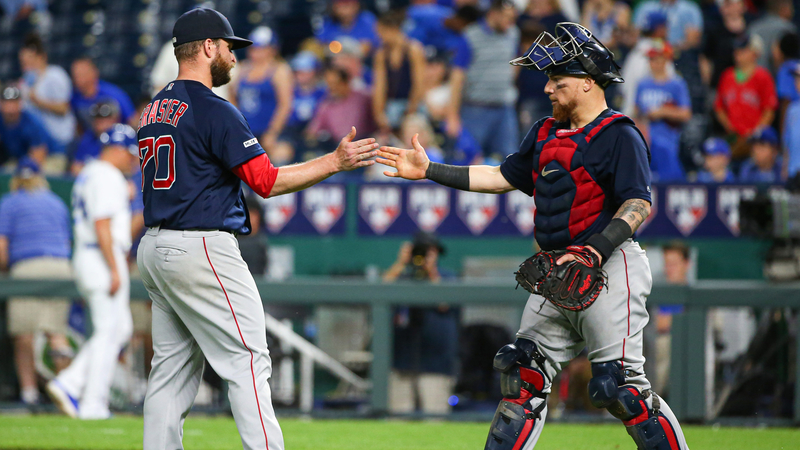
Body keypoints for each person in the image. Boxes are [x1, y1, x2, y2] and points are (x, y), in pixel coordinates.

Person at [377, 22, 689, 450]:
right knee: (521, 374)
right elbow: (502, 176)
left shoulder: (620, 133)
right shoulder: (544, 131)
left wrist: (593, 252)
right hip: (558, 271)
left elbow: (637, 205)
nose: (547, 90)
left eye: (557, 81)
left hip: (611, 265)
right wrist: (431, 170)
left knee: (622, 388)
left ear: (585, 83)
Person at [135, 9, 378, 449]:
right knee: (248, 359)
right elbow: (265, 181)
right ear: (208, 47)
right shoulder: (214, 108)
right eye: (229, 47)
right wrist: (335, 162)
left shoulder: (155, 107)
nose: (233, 57)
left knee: (170, 371)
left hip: (155, 245)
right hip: (200, 245)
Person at [46, 124, 138, 420]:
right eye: (129, 154)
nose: (132, 160)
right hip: (101, 256)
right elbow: (102, 224)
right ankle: (89, 402)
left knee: (118, 328)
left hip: (92, 255)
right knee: (109, 330)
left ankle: (72, 384)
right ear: (116, 149)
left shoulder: (91, 172)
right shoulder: (107, 175)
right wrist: (114, 267)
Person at [0, 157, 72, 406]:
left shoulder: (9, 202)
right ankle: (65, 389)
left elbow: (2, 247)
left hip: (27, 267)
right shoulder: (56, 202)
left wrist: (6, 272)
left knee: (24, 335)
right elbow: (66, 243)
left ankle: (29, 393)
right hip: (61, 267)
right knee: (56, 333)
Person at [384, 232, 459, 415]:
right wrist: (401, 263)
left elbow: (445, 304)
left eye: (429, 251)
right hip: (402, 359)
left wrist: (431, 271)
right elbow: (380, 291)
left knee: (435, 419)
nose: (424, 255)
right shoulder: (403, 278)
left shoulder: (447, 278)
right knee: (398, 420)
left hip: (436, 361)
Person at [457, 0, 520, 161]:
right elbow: (457, 74)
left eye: (512, 18)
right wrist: (452, 114)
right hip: (475, 108)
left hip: (504, 108)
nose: (510, 22)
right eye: (506, 18)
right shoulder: (470, 35)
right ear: (493, 14)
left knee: (510, 158)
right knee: (469, 158)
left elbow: (515, 61)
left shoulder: (513, 34)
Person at [230, 26, 293, 160]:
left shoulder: (279, 70)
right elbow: (232, 97)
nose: (256, 53)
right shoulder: (243, 68)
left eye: (262, 49)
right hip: (247, 132)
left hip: (269, 131)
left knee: (280, 155)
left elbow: (285, 105)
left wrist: (272, 132)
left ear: (272, 50)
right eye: (254, 48)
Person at [714, 33, 777, 162]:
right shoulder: (727, 76)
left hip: (756, 141)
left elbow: (769, 110)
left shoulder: (763, 76)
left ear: (755, 52)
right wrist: (729, 127)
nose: (738, 53)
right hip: (734, 138)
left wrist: (755, 134)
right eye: (737, 50)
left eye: (743, 50)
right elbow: (719, 107)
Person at [634, 40, 691, 182]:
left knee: (670, 183)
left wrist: (662, 112)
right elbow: (636, 112)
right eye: (651, 59)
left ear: (666, 60)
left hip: (670, 141)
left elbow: (686, 114)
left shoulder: (676, 84)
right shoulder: (642, 84)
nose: (654, 63)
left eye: (657, 58)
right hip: (646, 143)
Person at [18, 33, 75, 173]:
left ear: (41, 57)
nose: (27, 66)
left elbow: (63, 108)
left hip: (60, 142)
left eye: (30, 61)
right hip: (38, 144)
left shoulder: (55, 75)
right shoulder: (25, 82)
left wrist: (38, 101)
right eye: (23, 62)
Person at [372, 10, 426, 131]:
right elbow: (380, 86)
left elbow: (419, 83)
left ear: (392, 29)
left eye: (380, 31)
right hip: (392, 106)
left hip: (413, 105)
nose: (378, 36)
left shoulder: (414, 50)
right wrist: (379, 113)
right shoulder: (381, 54)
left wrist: (410, 111)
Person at [621, 10, 674, 116]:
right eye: (665, 27)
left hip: (628, 114)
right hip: (647, 118)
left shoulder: (634, 54)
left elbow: (623, 88)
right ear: (659, 29)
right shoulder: (659, 54)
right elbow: (669, 86)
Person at [306, 64, 376, 145]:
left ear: (346, 82)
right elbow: (312, 131)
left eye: (335, 83)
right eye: (329, 84)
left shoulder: (363, 98)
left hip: (364, 143)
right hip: (337, 146)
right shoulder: (326, 105)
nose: (332, 88)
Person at [70, 57, 136, 130]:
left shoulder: (113, 94)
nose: (78, 79)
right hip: (91, 138)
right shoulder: (74, 97)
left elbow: (132, 120)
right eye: (75, 75)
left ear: (94, 72)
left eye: (82, 74)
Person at [700, 0, 748, 89]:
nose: (727, 8)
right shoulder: (715, 31)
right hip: (720, 84)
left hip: (747, 84)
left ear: (741, 6)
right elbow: (706, 57)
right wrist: (707, 81)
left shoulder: (751, 28)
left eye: (730, 4)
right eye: (724, 5)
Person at [0, 85, 49, 166]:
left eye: (13, 102)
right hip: (15, 159)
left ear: (20, 103)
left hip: (48, 157)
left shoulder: (31, 123)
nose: (10, 107)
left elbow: (38, 157)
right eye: (7, 102)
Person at [70, 100, 121, 175]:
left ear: (114, 120)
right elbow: (75, 168)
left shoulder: (121, 139)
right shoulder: (87, 139)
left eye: (105, 118)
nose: (100, 122)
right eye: (97, 118)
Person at [747, 0, 795, 71]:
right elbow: (777, 56)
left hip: (753, 77)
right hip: (775, 78)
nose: (793, 10)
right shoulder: (787, 28)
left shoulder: (753, 27)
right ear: (784, 8)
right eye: (791, 7)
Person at [783, 62, 800, 184]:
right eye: (796, 78)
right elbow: (787, 142)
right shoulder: (792, 110)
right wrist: (785, 167)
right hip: (793, 172)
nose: (797, 82)